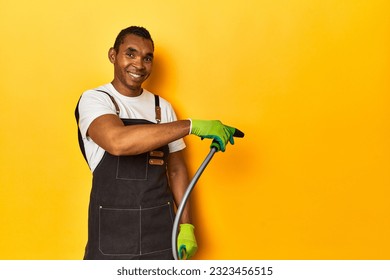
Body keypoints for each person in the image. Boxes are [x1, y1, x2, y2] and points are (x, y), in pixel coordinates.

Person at [75, 26, 236, 260]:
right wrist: (190, 125)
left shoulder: (163, 107)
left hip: (160, 233)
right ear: (113, 55)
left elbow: (177, 169)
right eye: (130, 54)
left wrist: (186, 226)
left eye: (147, 57)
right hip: (111, 236)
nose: (139, 64)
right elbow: (117, 142)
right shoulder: (96, 99)